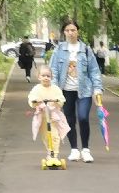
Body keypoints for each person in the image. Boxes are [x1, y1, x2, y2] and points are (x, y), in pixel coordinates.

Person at [48, 19, 105, 163]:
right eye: (67, 30)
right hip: (65, 91)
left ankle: (86, 149)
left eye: (73, 30)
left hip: (84, 90)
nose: (70, 33)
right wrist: (54, 89)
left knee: (83, 117)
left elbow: (94, 71)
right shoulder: (59, 50)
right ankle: (74, 149)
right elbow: (53, 69)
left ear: (77, 31)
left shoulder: (85, 49)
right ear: (64, 32)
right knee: (69, 119)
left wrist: (97, 89)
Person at [28, 68, 71, 160]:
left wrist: (57, 101)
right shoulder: (37, 88)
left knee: (55, 135)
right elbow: (31, 98)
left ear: (51, 77)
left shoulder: (55, 88)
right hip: (42, 115)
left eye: (48, 76)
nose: (46, 78)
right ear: (39, 77)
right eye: (43, 76)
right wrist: (35, 101)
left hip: (53, 116)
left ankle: (54, 155)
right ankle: (49, 152)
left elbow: (61, 98)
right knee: (46, 135)